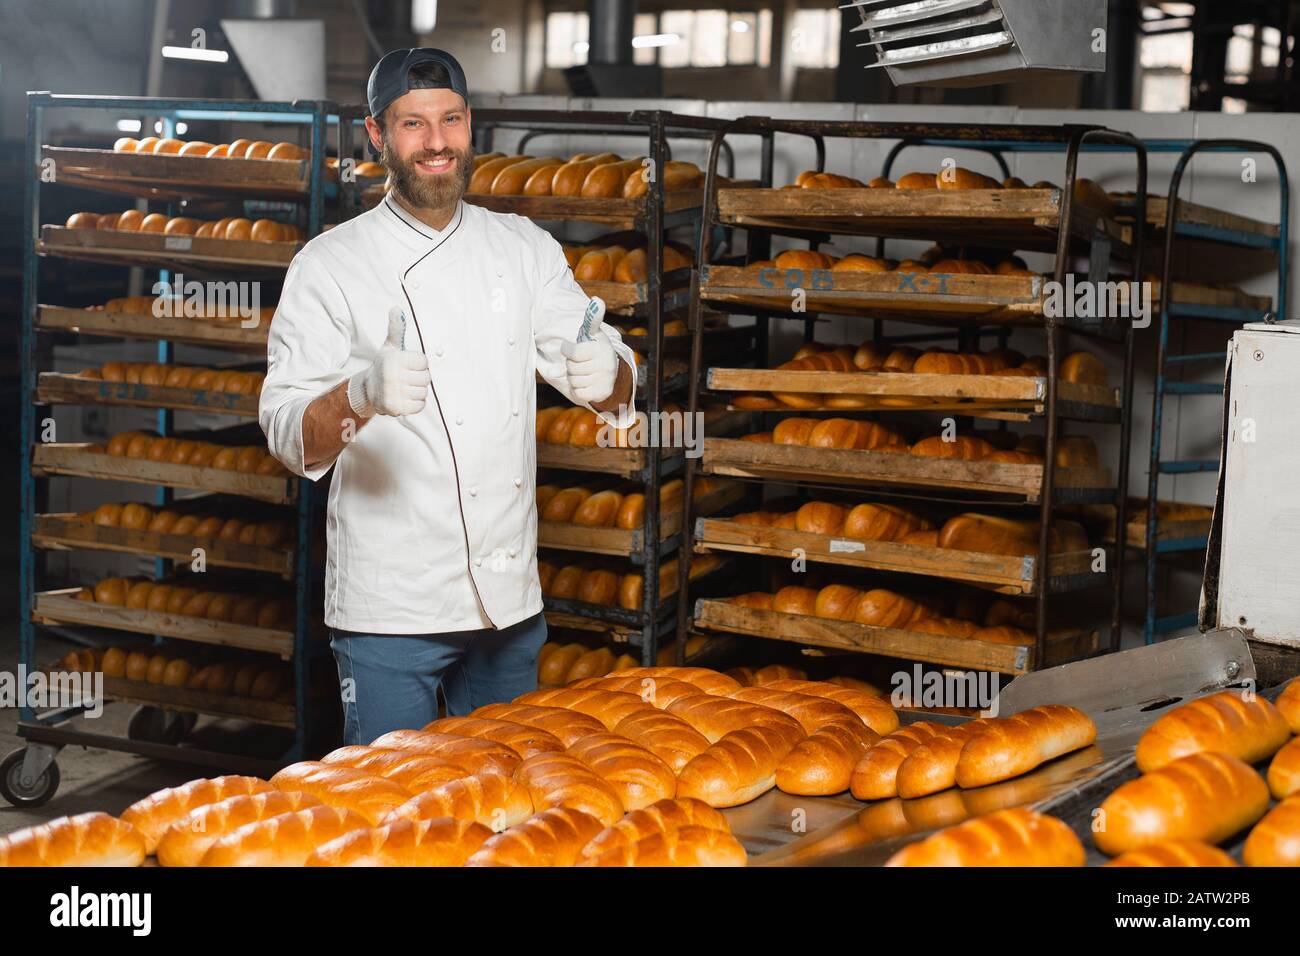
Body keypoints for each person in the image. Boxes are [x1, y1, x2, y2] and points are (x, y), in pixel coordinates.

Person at [258, 47, 637, 745]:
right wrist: (360, 395)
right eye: (412, 124)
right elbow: (288, 436)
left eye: (452, 120)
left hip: (509, 606)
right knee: (390, 819)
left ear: (471, 125)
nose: (436, 142)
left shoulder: (523, 248)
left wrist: (605, 370)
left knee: (506, 810)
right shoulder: (330, 265)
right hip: (390, 610)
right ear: (376, 135)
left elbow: (606, 368)